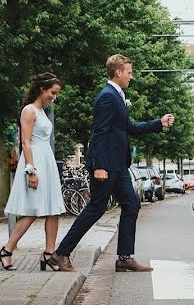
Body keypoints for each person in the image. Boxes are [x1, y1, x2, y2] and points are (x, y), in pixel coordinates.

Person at [47, 55, 174, 272]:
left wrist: (158, 123)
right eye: (129, 72)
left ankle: (124, 257)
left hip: (118, 166)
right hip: (107, 166)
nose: (131, 77)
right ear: (118, 73)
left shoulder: (117, 95)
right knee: (96, 208)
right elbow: (100, 133)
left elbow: (129, 128)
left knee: (132, 205)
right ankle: (60, 254)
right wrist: (98, 165)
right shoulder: (107, 97)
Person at [0, 74, 66, 271]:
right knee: (32, 211)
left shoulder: (42, 111)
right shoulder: (29, 110)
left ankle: (49, 254)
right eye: (52, 93)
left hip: (47, 160)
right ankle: (6, 251)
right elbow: (25, 142)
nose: (54, 97)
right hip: (35, 161)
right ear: (42, 89)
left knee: (53, 210)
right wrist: (31, 170)